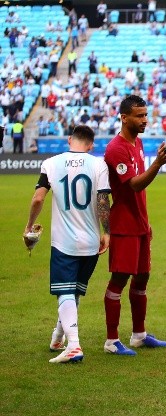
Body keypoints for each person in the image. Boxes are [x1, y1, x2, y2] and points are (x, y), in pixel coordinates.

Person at [25, 126, 111, 364]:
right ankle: (58, 337)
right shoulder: (98, 164)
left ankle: (73, 345)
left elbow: (38, 198)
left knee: (65, 291)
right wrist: (107, 233)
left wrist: (29, 226)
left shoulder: (51, 163)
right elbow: (104, 200)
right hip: (92, 240)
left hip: (64, 242)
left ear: (69, 139)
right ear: (91, 145)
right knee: (72, 291)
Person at [102, 95, 166, 356]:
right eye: (139, 116)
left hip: (140, 223)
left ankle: (139, 335)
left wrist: (146, 222)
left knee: (143, 277)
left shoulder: (138, 143)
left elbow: (140, 187)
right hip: (123, 224)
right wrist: (158, 163)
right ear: (124, 117)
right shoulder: (116, 149)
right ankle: (111, 340)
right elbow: (133, 185)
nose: (145, 120)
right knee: (119, 279)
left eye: (146, 115)